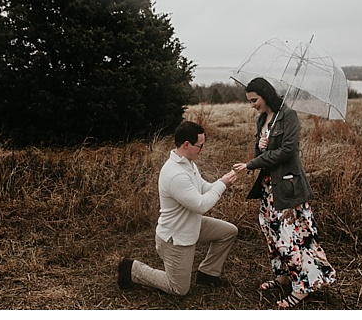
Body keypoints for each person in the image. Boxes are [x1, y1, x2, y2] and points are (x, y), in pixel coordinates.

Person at [230, 77, 336, 308]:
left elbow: (288, 151)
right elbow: (260, 151)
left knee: (291, 238)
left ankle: (301, 289)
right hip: (269, 188)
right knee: (272, 233)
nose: (252, 105)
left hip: (287, 187)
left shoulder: (288, 116)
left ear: (265, 95)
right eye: (249, 101)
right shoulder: (262, 120)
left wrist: (252, 163)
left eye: (254, 100)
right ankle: (283, 277)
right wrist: (261, 146)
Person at [117, 121, 241, 296]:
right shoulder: (176, 174)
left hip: (191, 225)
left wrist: (223, 181)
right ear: (186, 144)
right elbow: (201, 205)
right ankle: (132, 269)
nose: (202, 149)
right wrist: (222, 185)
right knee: (179, 289)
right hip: (175, 237)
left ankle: (208, 273)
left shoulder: (188, 163)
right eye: (200, 145)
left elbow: (204, 188)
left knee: (229, 232)